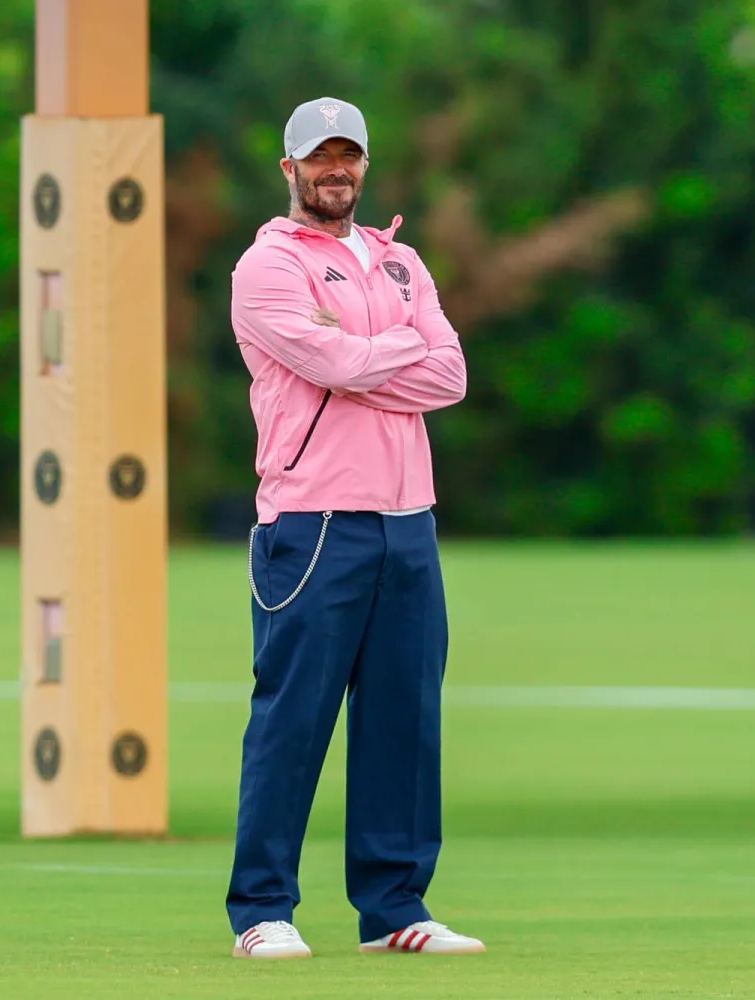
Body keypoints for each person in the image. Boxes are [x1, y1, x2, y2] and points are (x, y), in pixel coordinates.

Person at [223, 97, 481, 959]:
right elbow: (323, 360)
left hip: (407, 520)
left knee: (404, 719)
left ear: (365, 164)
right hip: (313, 521)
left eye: (349, 156)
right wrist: (389, 352)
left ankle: (395, 908)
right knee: (293, 718)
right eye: (318, 156)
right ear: (288, 167)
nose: (336, 170)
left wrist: (367, 358)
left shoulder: (402, 262)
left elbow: (451, 378)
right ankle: (262, 910)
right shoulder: (266, 266)